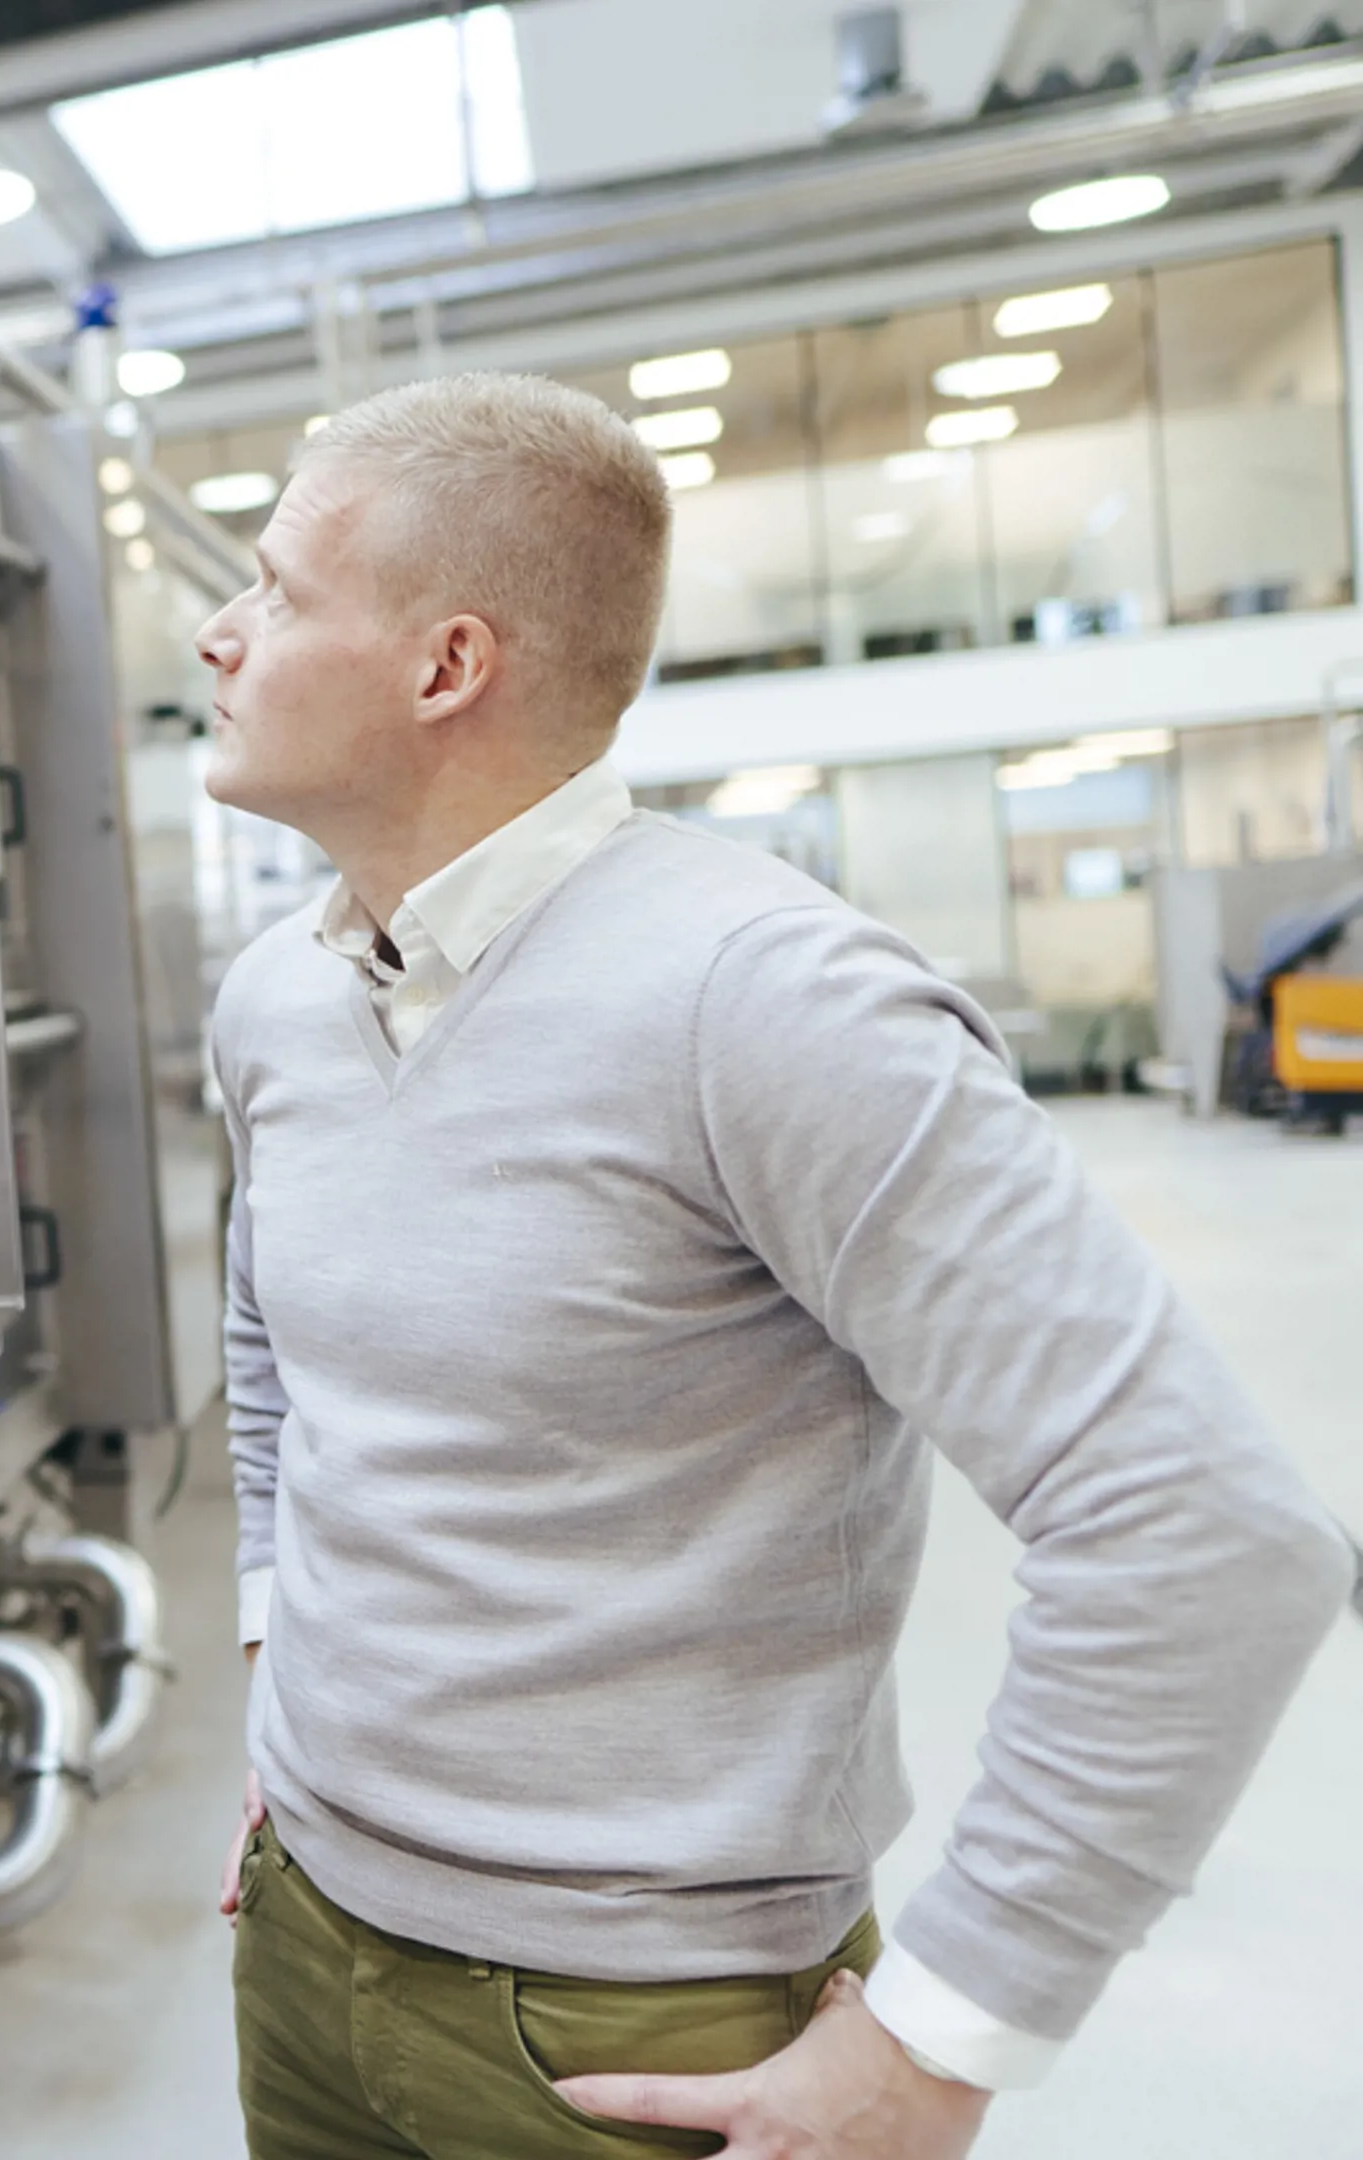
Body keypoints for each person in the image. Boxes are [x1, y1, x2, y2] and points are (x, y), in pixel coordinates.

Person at [190, 372, 1357, 2160]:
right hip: (301, 1933)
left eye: (274, 588)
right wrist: (292, 1680)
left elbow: (1201, 1532)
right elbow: (277, 1357)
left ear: (446, 666)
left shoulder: (767, 1002)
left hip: (627, 2024)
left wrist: (947, 2033)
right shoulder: (282, 996)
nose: (219, 633)